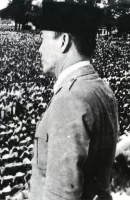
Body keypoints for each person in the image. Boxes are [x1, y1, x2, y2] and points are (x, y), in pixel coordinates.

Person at [28, 2, 119, 200]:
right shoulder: (101, 88)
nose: (39, 49)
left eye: (43, 39)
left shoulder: (69, 98)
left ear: (63, 42)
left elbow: (62, 194)